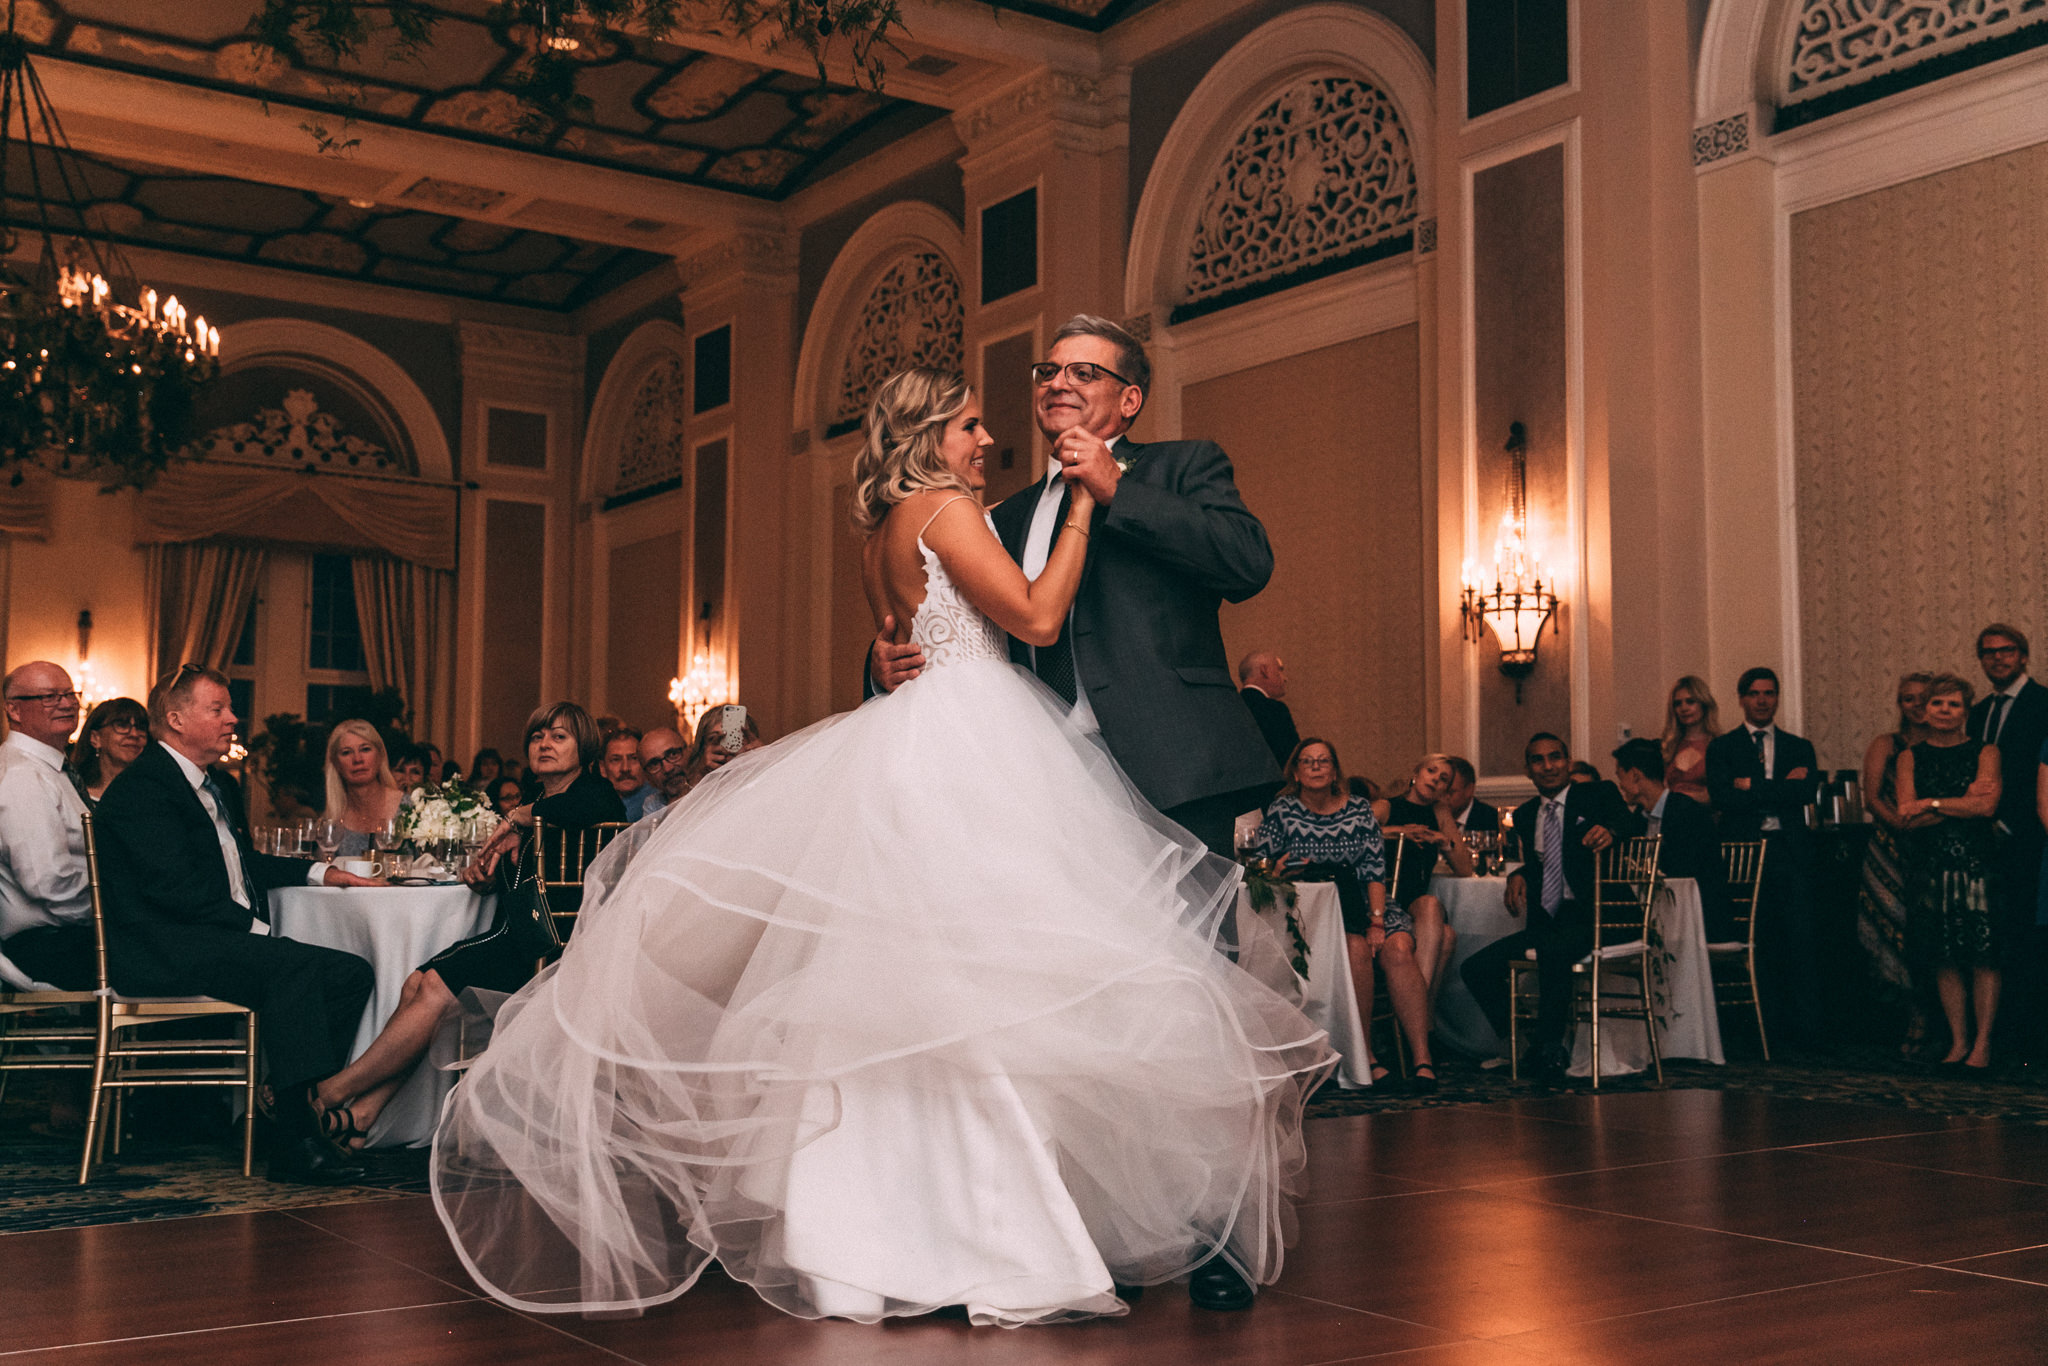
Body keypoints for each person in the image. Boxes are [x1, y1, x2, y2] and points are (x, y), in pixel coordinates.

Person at [432, 367, 1332, 1328]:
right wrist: (1078, 509)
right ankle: (985, 1237)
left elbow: (914, 635)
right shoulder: (945, 508)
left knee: (894, 996)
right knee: (982, 993)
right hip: (973, 746)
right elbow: (1032, 619)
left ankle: (850, 1242)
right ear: (929, 436)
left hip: (921, 740)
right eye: (972, 426)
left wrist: (888, 657)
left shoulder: (882, 533)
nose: (988, 442)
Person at [870, 315, 1279, 865]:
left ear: (1129, 399)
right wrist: (882, 668)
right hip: (1042, 780)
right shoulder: (998, 515)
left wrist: (1117, 488)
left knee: (1189, 951)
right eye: (1048, 371)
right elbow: (945, 612)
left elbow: (1247, 561)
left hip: (1173, 766)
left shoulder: (1181, 466)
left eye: (1083, 372)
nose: (1058, 382)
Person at [94, 665, 378, 1183]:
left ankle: (288, 1107)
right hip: (164, 949)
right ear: (177, 719)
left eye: (229, 707)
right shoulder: (144, 790)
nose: (233, 718)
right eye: (218, 708)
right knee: (290, 967)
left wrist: (324, 872)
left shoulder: (217, 784)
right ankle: (296, 1141)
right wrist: (258, 933)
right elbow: (175, 892)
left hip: (210, 940)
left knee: (350, 973)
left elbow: (244, 864)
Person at [310, 702, 627, 1146]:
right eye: (538, 737)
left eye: (559, 737)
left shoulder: (591, 796)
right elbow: (517, 882)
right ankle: (362, 1116)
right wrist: (483, 877)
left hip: (553, 951)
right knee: (416, 986)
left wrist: (520, 815)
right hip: (515, 940)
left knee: (433, 988)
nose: (545, 745)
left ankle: (330, 1092)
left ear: (584, 747)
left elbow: (592, 806)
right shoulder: (543, 811)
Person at [1248, 738, 1433, 1088]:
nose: (1316, 767)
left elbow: (1374, 870)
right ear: (1297, 772)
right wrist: (1278, 870)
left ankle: (1422, 1058)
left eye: (1323, 761)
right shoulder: (1282, 811)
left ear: (1335, 770)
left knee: (1398, 949)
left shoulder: (1359, 809)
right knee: (1358, 950)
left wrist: (1377, 921)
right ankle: (1366, 1057)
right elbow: (1260, 868)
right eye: (1308, 761)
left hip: (1364, 901)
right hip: (1311, 912)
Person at [1458, 733, 1629, 1076]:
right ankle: (1526, 1040)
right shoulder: (1524, 815)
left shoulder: (1596, 794)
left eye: (1555, 757)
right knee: (1475, 967)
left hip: (1600, 917)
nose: (1548, 766)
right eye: (1538, 760)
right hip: (1551, 922)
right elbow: (1542, 861)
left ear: (1567, 762)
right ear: (1529, 770)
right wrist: (1519, 872)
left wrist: (1611, 831)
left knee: (1552, 949)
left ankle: (1550, 1049)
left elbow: (1630, 822)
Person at [1706, 667, 1823, 1047]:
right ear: (1741, 698)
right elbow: (1724, 797)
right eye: (1755, 693)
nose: (1762, 700)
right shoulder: (1723, 748)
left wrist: (1752, 785)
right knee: (1754, 939)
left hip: (1789, 851)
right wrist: (1777, 788)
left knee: (1798, 938)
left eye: (1769, 693)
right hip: (1742, 853)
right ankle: (1755, 1030)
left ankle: (1803, 1034)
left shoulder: (1799, 747)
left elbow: (1804, 793)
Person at [1897, 673, 2003, 1071]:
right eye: (1937, 704)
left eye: (1953, 704)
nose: (1944, 711)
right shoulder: (1909, 756)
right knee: (1943, 958)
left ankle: (1983, 1044)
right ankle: (1958, 1041)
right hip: (1931, 866)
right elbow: (1906, 817)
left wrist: (1932, 803)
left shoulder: (1986, 752)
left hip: (1976, 863)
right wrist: (1958, 802)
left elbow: (1986, 809)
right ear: (1924, 710)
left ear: (1966, 711)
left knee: (1983, 956)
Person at [1967, 624, 2048, 1064]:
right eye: (1988, 653)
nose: (1997, 659)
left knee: (2029, 941)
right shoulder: (1976, 712)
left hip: (2033, 838)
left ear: (2023, 655)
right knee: (1993, 942)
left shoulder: (2044, 703)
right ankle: (2000, 1039)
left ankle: (2029, 1043)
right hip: (1984, 842)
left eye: (2006, 651)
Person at [0, 663, 95, 990]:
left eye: (70, 694)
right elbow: (48, 883)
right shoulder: (24, 775)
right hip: (49, 946)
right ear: (14, 710)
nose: (68, 704)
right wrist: (116, 906)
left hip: (68, 937)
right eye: (49, 697)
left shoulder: (54, 770)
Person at [1858, 673, 1934, 1054]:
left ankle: (1933, 1021)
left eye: (1924, 698)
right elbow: (1872, 798)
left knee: (1930, 934)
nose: (1916, 705)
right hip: (1890, 847)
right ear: (1899, 704)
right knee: (1893, 928)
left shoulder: (1945, 745)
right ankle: (1907, 1018)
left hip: (1934, 848)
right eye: (1908, 699)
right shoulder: (1886, 744)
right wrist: (1901, 827)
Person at [1372, 754, 1472, 1019]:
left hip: (1415, 904)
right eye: (1431, 772)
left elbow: (1465, 868)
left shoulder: (1439, 812)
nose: (1435, 780)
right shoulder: (1386, 806)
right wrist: (1396, 831)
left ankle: (1413, 1012)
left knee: (1438, 919)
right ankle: (1419, 1019)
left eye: (1443, 780)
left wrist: (1443, 840)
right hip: (1385, 900)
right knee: (1443, 929)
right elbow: (1352, 834)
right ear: (1416, 773)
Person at [1610, 738, 1735, 942]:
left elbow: (1689, 874)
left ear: (1634, 776)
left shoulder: (1687, 813)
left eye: (1620, 776)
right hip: (1655, 915)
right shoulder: (1637, 820)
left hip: (1700, 918)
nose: (1620, 785)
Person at [323, 719, 404, 858]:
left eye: (365, 749)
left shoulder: (410, 809)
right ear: (336, 763)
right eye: (347, 752)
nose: (357, 759)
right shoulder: (332, 821)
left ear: (380, 756)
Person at [69, 696, 151, 806]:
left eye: (141, 727)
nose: (134, 734)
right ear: (95, 738)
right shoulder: (74, 794)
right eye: (122, 726)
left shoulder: (154, 794)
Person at [1660, 675, 1721, 805]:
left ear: (1704, 704)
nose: (1684, 708)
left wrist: (1678, 798)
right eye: (1678, 703)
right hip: (1672, 818)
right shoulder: (1669, 745)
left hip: (1705, 818)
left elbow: (1719, 794)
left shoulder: (1719, 746)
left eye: (1690, 701)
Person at [1237, 651, 1299, 767]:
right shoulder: (1275, 710)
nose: (1285, 678)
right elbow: (1292, 757)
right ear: (1264, 671)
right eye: (1280, 670)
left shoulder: (1231, 707)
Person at [681, 706, 764, 789]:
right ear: (702, 747)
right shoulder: (696, 780)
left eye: (733, 737)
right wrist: (699, 775)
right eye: (713, 739)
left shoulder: (763, 774)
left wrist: (764, 763)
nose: (724, 747)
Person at [600, 726, 659, 821]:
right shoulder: (592, 806)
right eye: (616, 760)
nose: (625, 768)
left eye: (634, 758)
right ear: (602, 768)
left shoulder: (661, 804)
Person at [635, 726, 690, 818]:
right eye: (654, 764)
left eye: (673, 754)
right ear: (647, 777)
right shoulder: (653, 804)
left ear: (689, 752)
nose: (668, 768)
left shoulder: (713, 786)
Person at [1444, 756, 1499, 834]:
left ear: (1469, 790)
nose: (1444, 797)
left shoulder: (1491, 819)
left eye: (1450, 792)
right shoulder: (1430, 817)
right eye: (1441, 792)